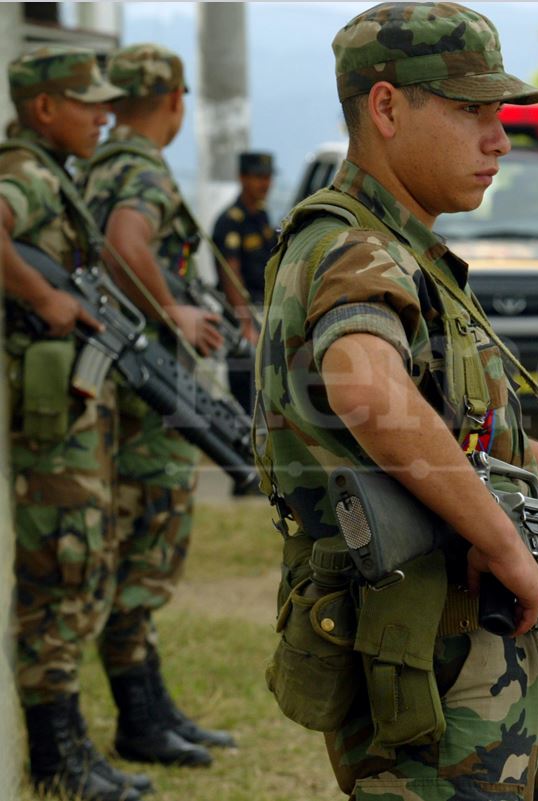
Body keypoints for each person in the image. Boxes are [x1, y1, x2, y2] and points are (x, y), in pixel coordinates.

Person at [255, 4, 538, 799]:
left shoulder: (400, 250)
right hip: (431, 668)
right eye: (472, 111)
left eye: (498, 114)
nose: (499, 138)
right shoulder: (353, 249)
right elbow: (368, 388)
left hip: (471, 656)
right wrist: (503, 538)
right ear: (388, 107)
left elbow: (463, 445)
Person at [0, 45, 158, 801]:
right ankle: (57, 760)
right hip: (47, 425)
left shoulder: (47, 172)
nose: (103, 114)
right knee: (59, 576)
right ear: (42, 109)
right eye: (87, 101)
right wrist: (44, 296)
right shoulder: (25, 173)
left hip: (63, 415)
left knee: (77, 566)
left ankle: (70, 750)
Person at [79, 43, 235, 769]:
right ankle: (140, 721)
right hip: (148, 398)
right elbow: (123, 245)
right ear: (175, 100)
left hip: (132, 391)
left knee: (141, 554)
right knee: (149, 551)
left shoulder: (101, 164)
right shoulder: (138, 168)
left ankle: (153, 706)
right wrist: (174, 312)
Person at [212, 150, 273, 422]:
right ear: (242, 178)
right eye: (258, 177)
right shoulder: (230, 222)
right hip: (243, 318)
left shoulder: (262, 218)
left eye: (268, 177)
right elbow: (230, 275)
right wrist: (245, 323)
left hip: (265, 314)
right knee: (247, 393)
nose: (265, 184)